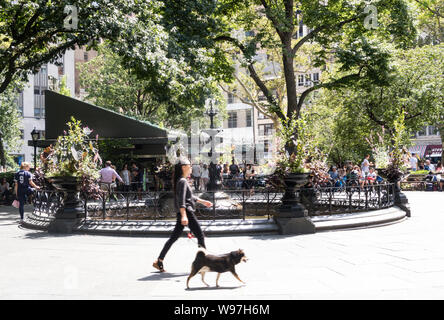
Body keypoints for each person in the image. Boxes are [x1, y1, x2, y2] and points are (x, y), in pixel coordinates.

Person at [153, 157, 213, 272]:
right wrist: (184, 215)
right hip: (187, 213)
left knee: (173, 238)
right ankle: (202, 263)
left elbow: (189, 197)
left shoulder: (180, 181)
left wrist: (203, 201)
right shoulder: (183, 181)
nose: (191, 168)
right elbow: (181, 200)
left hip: (183, 213)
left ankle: (159, 261)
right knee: (200, 235)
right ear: (183, 167)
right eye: (189, 166)